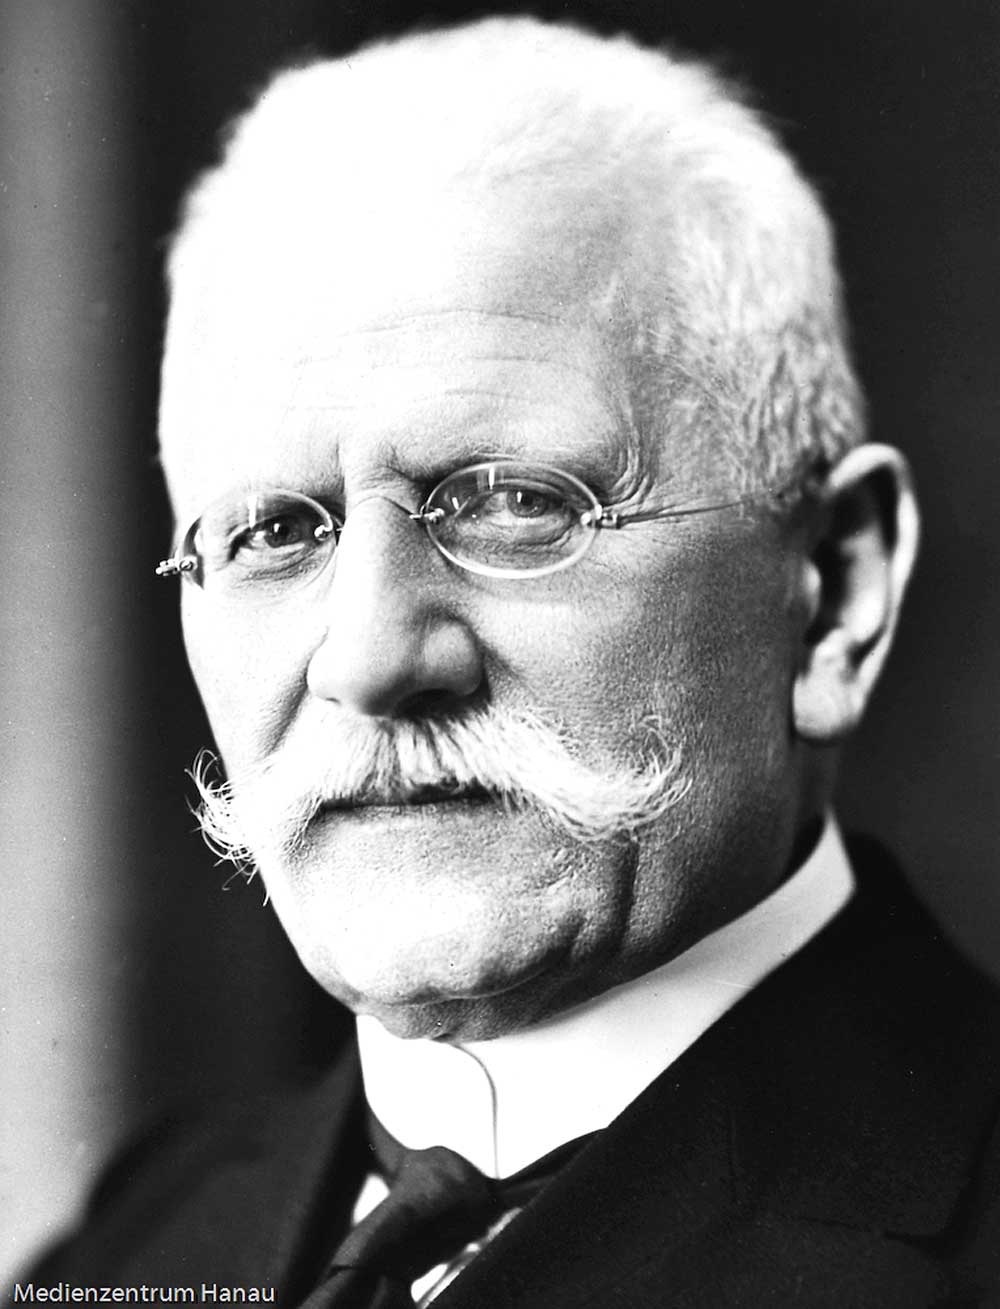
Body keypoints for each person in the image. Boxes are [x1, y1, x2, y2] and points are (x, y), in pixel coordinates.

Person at [23, 16, 1000, 1307]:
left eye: (511, 504)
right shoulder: (138, 1241)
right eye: (271, 533)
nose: (371, 656)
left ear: (832, 593)